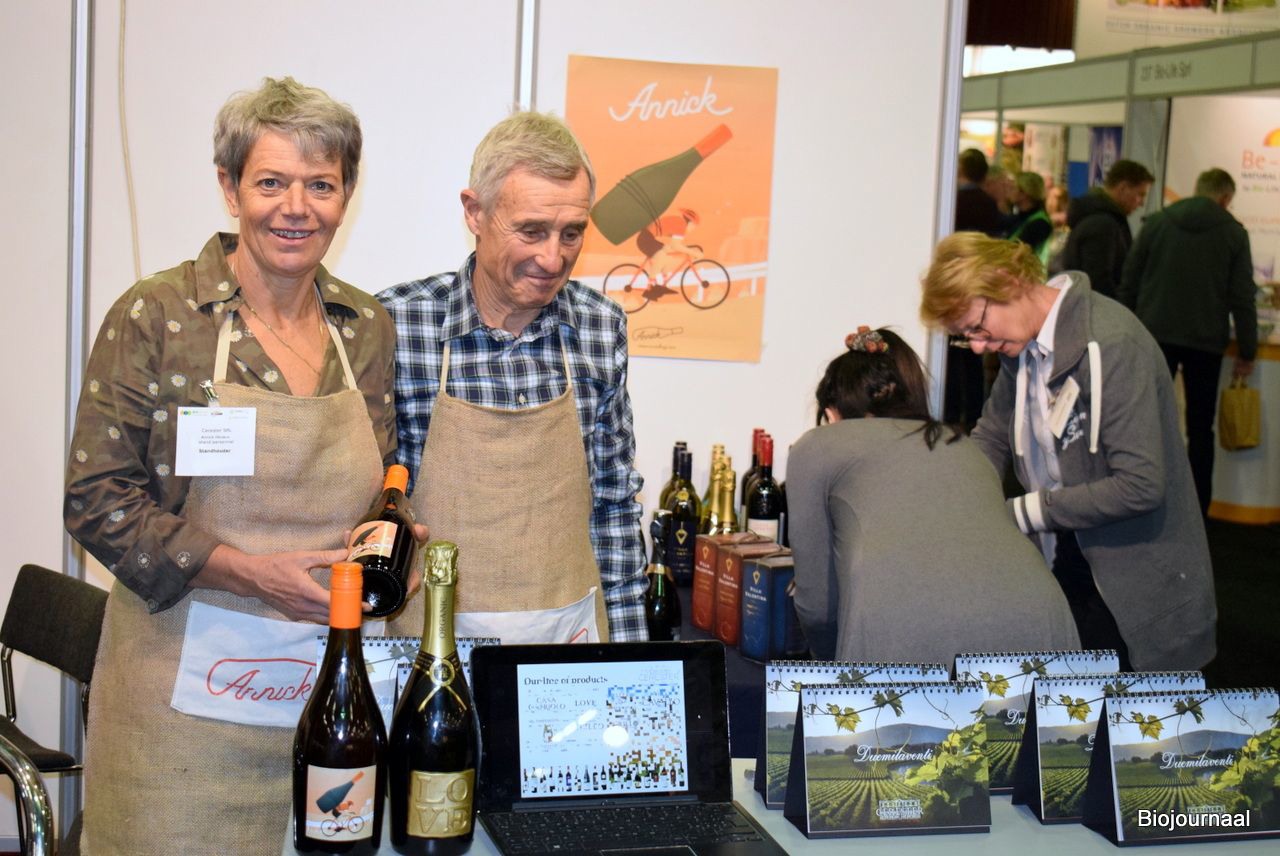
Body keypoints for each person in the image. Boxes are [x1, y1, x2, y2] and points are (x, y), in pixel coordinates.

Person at [63, 77, 421, 855]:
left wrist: (391, 541)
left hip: (329, 701)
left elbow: (380, 478)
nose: (297, 208)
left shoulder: (365, 326)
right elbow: (95, 498)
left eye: (320, 185)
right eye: (270, 183)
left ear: (346, 195)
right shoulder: (159, 316)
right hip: (179, 708)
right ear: (230, 188)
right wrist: (251, 574)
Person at [378, 111, 647, 644]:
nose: (553, 257)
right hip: (430, 644)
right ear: (475, 212)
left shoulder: (600, 327)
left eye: (572, 233)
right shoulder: (399, 324)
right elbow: (372, 510)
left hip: (565, 649)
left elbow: (613, 506)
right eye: (531, 231)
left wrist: (629, 656)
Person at [921, 233, 1217, 671]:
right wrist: (953, 499)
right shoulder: (1021, 348)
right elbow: (993, 435)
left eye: (977, 326)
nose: (978, 345)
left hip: (1135, 581)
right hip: (1070, 554)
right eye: (966, 337)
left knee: (1114, 708)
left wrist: (1024, 512)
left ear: (1009, 280)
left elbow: (1140, 486)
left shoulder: (1112, 345)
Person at [787, 327, 1079, 664]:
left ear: (831, 413)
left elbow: (818, 606)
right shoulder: (963, 445)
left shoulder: (818, 446)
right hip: (1041, 618)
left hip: (904, 634)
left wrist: (828, 659)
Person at [1118, 168, 1258, 515]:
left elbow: (1130, 279)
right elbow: (1242, 296)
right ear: (1225, 198)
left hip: (1154, 335)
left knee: (1146, 419)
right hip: (1205, 341)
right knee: (1200, 427)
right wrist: (1248, 349)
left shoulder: (1157, 223)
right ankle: (1197, 509)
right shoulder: (1234, 234)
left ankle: (1140, 496)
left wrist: (1123, 332)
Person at [947, 148, 1001, 431]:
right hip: (981, 288)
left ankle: (952, 414)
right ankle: (974, 415)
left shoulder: (952, 201)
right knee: (973, 357)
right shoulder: (989, 204)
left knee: (954, 355)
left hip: (957, 288)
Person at [1060, 159, 1154, 298]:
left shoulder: (1098, 218)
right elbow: (1098, 282)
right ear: (1123, 188)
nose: (1141, 203)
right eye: (1140, 194)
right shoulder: (1102, 225)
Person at [1008, 171, 1052, 265]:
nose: (1009, 191)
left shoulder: (1039, 223)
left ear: (1024, 193)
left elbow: (1018, 252)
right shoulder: (1020, 218)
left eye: (1013, 188)